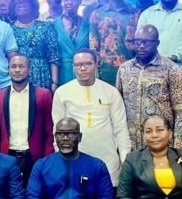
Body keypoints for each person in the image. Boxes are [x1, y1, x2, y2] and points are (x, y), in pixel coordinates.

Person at [53, 49, 132, 187]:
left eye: (87, 64)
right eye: (78, 65)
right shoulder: (62, 93)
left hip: (107, 158)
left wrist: (125, 159)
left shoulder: (111, 92)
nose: (82, 68)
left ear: (96, 64)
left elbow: (121, 129)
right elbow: (57, 131)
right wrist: (60, 159)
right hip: (74, 158)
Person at [116, 25, 182, 151]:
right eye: (137, 42)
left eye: (146, 42)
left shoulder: (172, 69)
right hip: (131, 147)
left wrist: (178, 150)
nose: (140, 45)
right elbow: (118, 108)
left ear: (157, 43)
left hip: (162, 147)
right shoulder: (124, 69)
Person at [0, 53, 54, 183]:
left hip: (35, 156)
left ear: (29, 70)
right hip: (7, 156)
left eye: (21, 66)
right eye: (13, 66)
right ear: (8, 70)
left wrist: (47, 158)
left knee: (34, 196)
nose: (17, 70)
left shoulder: (43, 95)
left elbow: (49, 131)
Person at [89, 0, 138, 85]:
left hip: (130, 67)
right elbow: (94, 44)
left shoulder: (135, 14)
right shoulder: (97, 14)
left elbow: (138, 43)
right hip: (105, 69)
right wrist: (95, 70)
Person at [10, 0, 60, 91]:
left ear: (33, 5)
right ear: (13, 8)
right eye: (18, 3)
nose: (22, 5)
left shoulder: (46, 26)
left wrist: (55, 82)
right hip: (18, 76)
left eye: (26, 2)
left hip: (42, 74)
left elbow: (53, 56)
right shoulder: (8, 29)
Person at [52, 0, 91, 85]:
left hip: (84, 74)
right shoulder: (53, 25)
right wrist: (54, 82)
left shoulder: (88, 26)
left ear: (80, 1)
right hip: (61, 75)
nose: (69, 2)